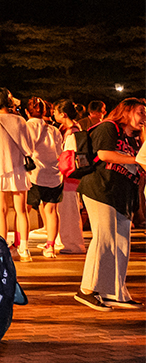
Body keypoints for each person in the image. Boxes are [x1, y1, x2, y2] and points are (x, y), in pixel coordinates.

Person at [71, 98, 143, 311]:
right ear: (126, 111)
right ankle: (86, 290)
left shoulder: (135, 139)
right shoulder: (109, 127)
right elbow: (103, 154)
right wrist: (135, 160)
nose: (144, 117)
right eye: (141, 112)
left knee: (121, 243)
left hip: (122, 194)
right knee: (104, 238)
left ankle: (115, 292)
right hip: (100, 188)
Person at [0, 89, 35, 258]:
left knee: (1, 210)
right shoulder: (20, 120)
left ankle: (2, 249)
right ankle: (24, 248)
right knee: (21, 210)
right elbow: (29, 148)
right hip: (19, 169)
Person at [23, 97, 65, 258]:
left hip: (34, 174)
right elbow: (59, 151)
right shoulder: (53, 130)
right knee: (52, 210)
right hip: (54, 174)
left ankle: (21, 243)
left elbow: (25, 149)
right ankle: (50, 246)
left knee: (24, 210)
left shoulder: (26, 127)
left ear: (27, 112)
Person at [50, 100, 91, 255]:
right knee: (67, 210)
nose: (53, 114)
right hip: (69, 177)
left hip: (68, 176)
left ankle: (74, 244)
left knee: (69, 212)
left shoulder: (71, 132)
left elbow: (67, 155)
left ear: (63, 114)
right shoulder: (71, 128)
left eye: (55, 111)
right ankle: (67, 242)